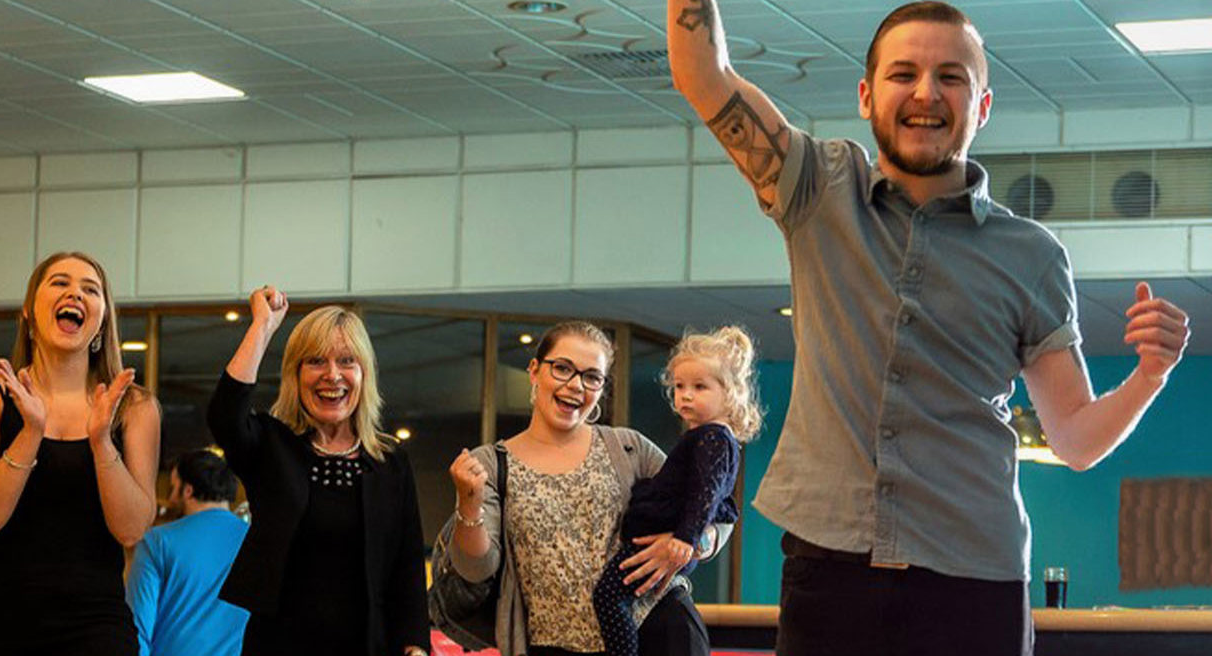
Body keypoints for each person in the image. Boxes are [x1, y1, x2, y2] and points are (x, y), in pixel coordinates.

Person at [666, 2, 1191, 654]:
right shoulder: (818, 190)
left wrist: (1151, 375)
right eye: (903, 73)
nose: (925, 92)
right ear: (865, 94)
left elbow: (1077, 439)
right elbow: (702, 73)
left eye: (951, 76)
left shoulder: (1030, 254)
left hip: (973, 579)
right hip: (829, 571)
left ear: (984, 104)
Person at [447, 321, 729, 656]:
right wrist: (469, 503)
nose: (576, 386)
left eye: (591, 376)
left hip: (659, 631)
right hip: (552, 644)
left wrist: (689, 542)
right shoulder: (493, 463)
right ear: (535, 371)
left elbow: (718, 509)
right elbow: (476, 568)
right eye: (563, 368)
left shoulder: (628, 447)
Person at [0, 251, 161, 656]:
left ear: (102, 319)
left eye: (91, 289)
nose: (75, 295)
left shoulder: (134, 408)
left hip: (95, 617)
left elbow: (132, 529)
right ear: (29, 311)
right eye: (60, 283)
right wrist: (32, 430)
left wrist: (100, 441)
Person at [209, 287, 430, 656]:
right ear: (295, 375)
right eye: (315, 361)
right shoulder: (272, 446)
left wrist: (415, 647)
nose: (332, 375)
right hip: (280, 646)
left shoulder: (390, 463)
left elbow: (406, 570)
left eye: (347, 361)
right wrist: (262, 327)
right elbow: (224, 416)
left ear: (364, 374)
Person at [592, 327, 761, 656]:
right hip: (666, 539)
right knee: (615, 598)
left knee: (608, 597)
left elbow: (707, 494)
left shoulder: (713, 438)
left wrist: (686, 538)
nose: (685, 395)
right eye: (679, 386)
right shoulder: (704, 437)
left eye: (699, 387)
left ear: (730, 393)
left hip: (668, 543)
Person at [125, 449, 251, 656]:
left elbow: (137, 629)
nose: (171, 499)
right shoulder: (256, 542)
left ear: (188, 491)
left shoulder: (157, 542)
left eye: (173, 489)